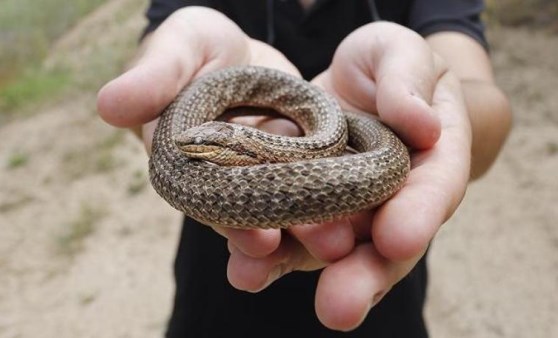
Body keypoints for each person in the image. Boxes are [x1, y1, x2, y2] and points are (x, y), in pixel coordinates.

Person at [97, 1, 512, 337]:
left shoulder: (286, 142)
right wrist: (160, 79)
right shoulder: (220, 143)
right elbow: (148, 95)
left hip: (375, 289)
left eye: (202, 142)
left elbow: (484, 99)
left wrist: (431, 96)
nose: (190, 145)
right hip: (217, 290)